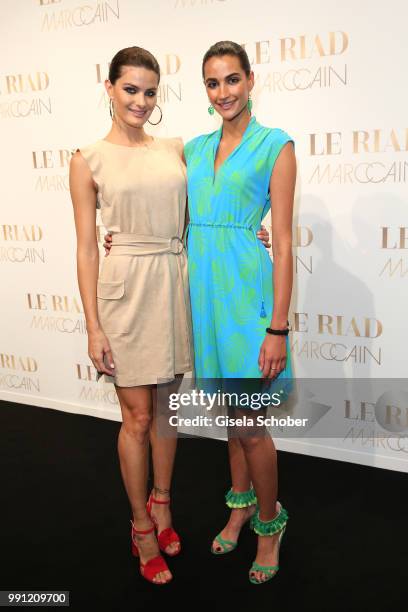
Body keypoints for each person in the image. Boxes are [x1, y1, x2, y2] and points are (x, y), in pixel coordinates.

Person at [69, 46, 192, 585]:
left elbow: (203, 215)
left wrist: (250, 231)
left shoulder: (175, 149)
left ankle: (163, 503)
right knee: (137, 417)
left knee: (166, 411)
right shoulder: (87, 158)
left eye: (149, 91)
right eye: (130, 89)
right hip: (124, 290)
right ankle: (142, 525)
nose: (140, 101)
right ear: (109, 88)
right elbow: (86, 248)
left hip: (172, 280)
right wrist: (93, 324)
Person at [183, 41, 296, 585]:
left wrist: (277, 327)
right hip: (206, 301)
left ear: (250, 80)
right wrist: (120, 237)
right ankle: (241, 504)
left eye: (232, 79)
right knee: (233, 421)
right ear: (204, 90)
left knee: (252, 428)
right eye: (212, 82)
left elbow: (286, 241)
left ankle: (270, 525)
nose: (223, 92)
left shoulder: (276, 145)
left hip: (247, 301)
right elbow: (175, 217)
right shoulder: (192, 150)